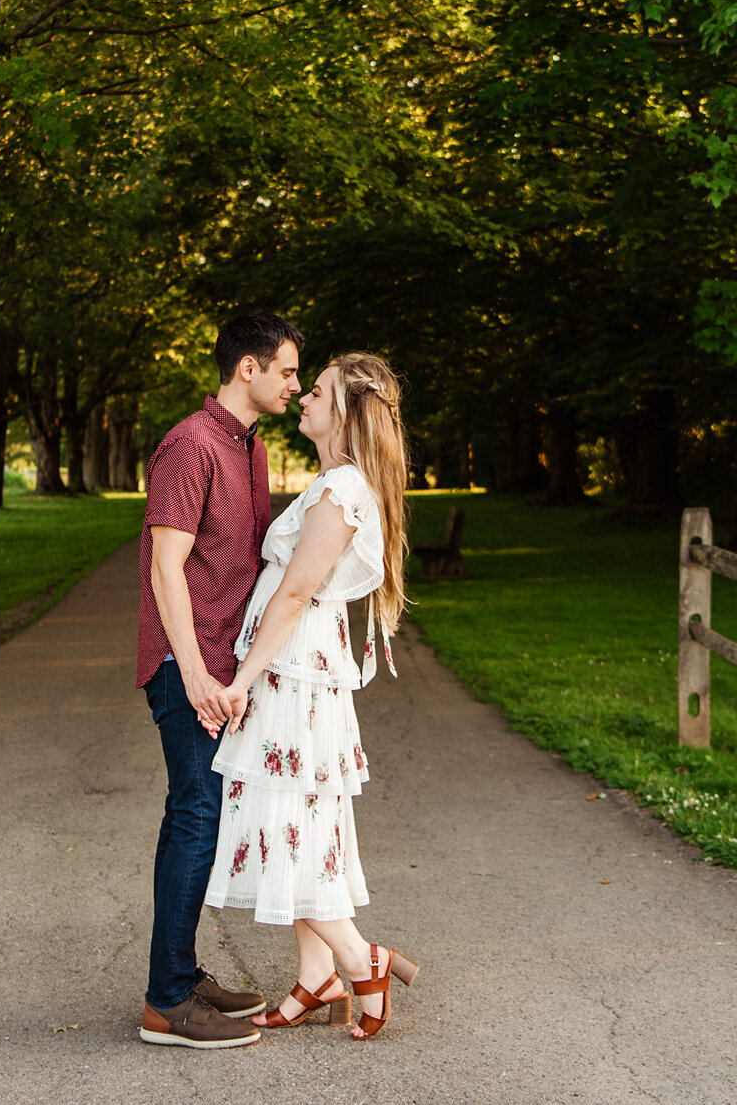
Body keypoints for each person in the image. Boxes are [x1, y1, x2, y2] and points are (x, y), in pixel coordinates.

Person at [202, 352, 421, 1040]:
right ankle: (317, 973)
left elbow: (295, 593)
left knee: (278, 824)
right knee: (299, 824)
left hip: (291, 673)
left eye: (317, 390)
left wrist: (239, 680)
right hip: (294, 669)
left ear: (348, 410)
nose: (302, 397)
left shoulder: (342, 489)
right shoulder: (333, 481)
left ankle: (362, 958)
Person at [136, 312, 304, 1049]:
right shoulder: (190, 444)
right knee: (197, 815)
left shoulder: (249, 448)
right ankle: (167, 1001)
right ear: (249, 368)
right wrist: (198, 673)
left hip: (222, 664)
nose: (296, 385)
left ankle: (181, 972)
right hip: (186, 665)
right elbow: (164, 567)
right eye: (289, 371)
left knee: (199, 818)